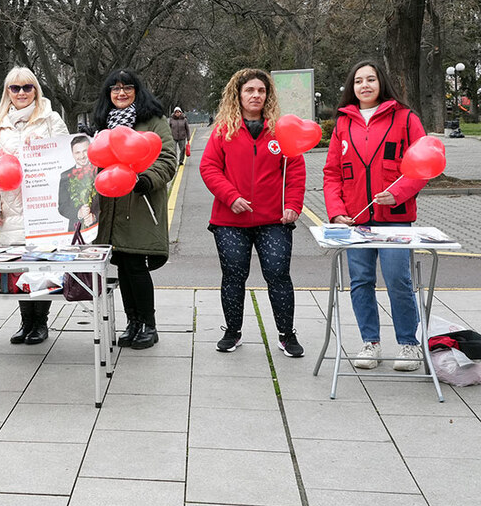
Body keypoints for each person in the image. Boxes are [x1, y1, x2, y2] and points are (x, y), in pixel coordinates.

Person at [323, 60, 428, 371]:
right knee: (361, 281)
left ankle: (408, 344)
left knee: (398, 280)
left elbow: (424, 164)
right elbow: (331, 173)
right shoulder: (343, 122)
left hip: (395, 218)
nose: (364, 86)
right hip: (356, 220)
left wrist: (398, 193)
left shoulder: (405, 118)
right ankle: (371, 343)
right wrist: (337, 212)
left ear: (381, 82)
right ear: (351, 87)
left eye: (370, 79)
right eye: (358, 81)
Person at [199, 68, 305, 357]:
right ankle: (232, 332)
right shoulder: (223, 130)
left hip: (274, 220)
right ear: (239, 94)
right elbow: (208, 168)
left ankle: (287, 335)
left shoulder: (281, 131)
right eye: (250, 90)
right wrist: (230, 197)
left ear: (267, 95)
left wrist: (293, 205)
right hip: (229, 220)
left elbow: (295, 169)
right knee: (233, 277)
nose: (256, 95)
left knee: (278, 275)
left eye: (261, 90)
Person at [91, 69, 177, 349]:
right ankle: (133, 322)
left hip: (141, 204)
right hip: (112, 208)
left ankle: (149, 325)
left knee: (138, 266)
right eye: (114, 89)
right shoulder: (103, 124)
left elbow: (166, 158)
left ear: (138, 91)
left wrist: (146, 180)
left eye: (127, 87)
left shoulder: (153, 121)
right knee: (124, 267)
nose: (121, 92)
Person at [0, 66, 68, 344]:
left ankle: (40, 323)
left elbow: (65, 158)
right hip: (11, 207)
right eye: (15, 88)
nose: (21, 93)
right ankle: (25, 322)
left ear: (36, 89)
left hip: (44, 205)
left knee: (41, 266)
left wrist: (43, 146)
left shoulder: (50, 118)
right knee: (19, 265)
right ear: (7, 92)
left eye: (27, 87)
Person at [57, 135, 99, 230]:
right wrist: (78, 213)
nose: (82, 156)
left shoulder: (99, 172)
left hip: (99, 231)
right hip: (75, 231)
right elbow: (62, 207)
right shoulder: (65, 176)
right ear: (72, 154)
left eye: (85, 151)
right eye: (77, 152)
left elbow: (107, 204)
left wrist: (95, 217)